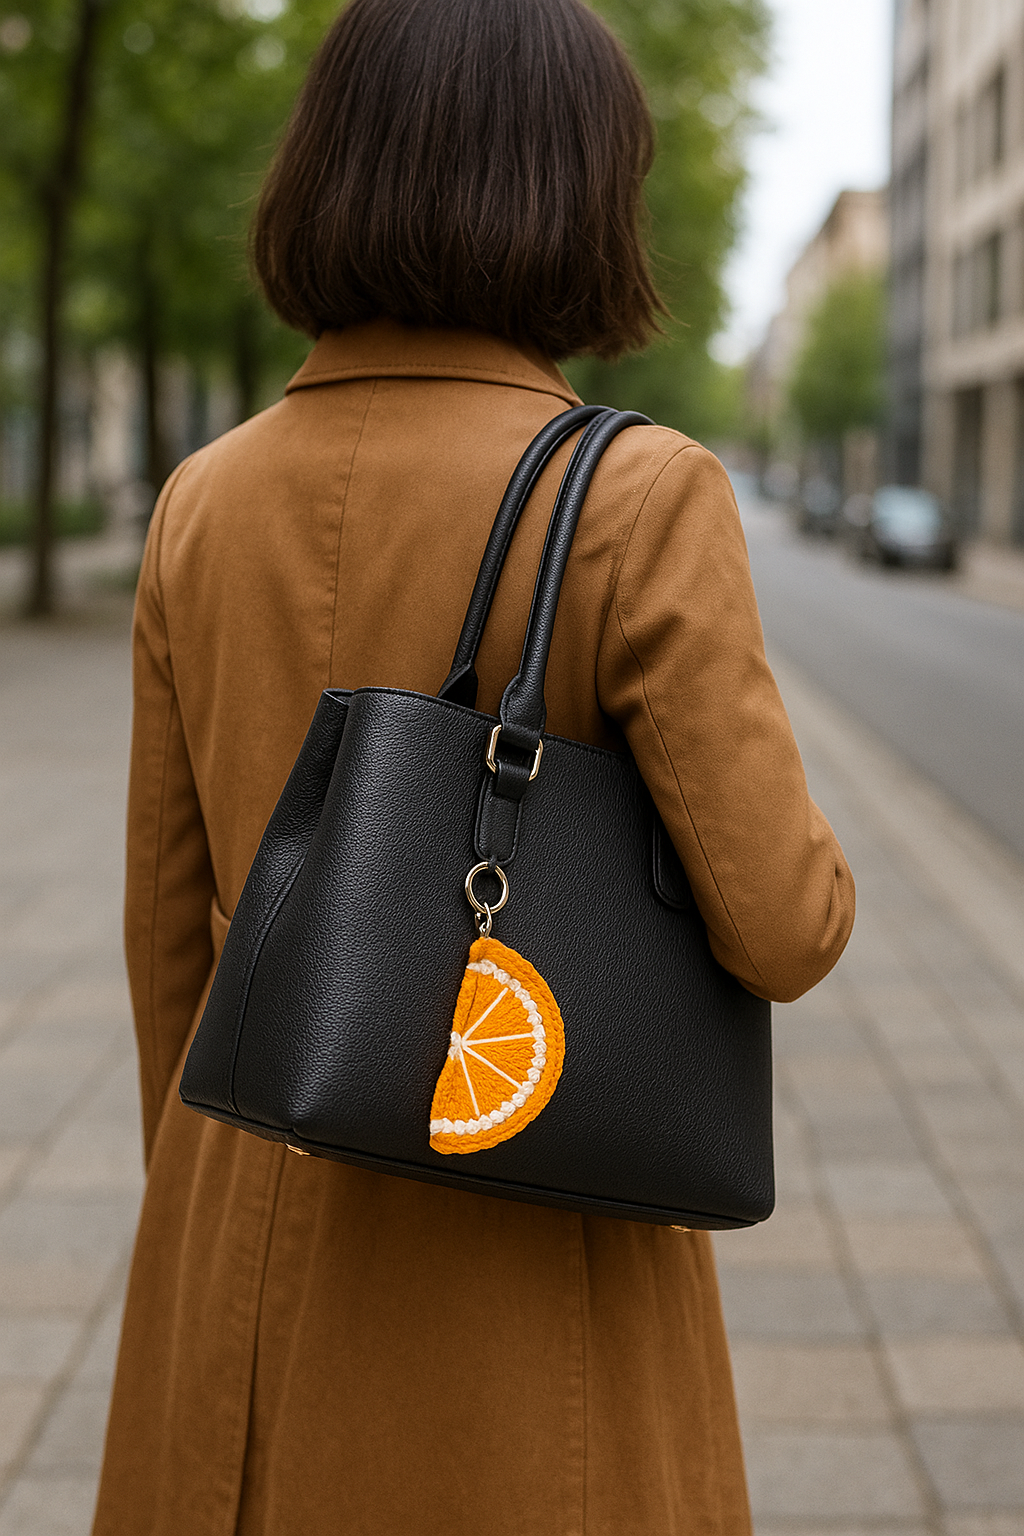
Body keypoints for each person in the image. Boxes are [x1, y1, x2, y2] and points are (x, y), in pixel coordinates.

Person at [92, 1, 855, 1531]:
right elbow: (785, 921)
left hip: (233, 1281)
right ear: (579, 195)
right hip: (527, 1284)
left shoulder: (201, 499)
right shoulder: (642, 498)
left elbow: (176, 961)